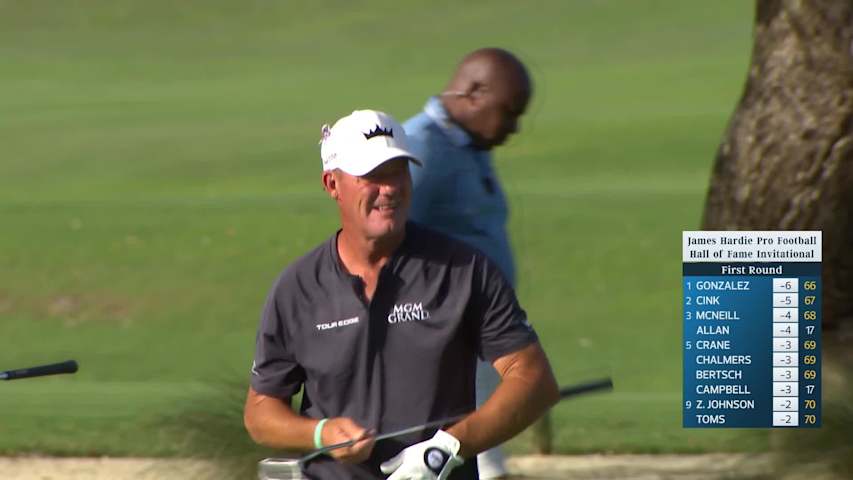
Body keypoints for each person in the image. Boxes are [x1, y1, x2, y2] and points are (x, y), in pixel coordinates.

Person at [243, 109, 559, 480]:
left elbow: (533, 379)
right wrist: (320, 433)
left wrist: (449, 448)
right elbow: (261, 412)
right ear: (332, 184)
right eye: (373, 176)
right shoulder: (297, 288)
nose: (390, 188)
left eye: (398, 171)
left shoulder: (464, 270)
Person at [403, 48, 532, 479]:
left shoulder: (470, 143)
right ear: (474, 93)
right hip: (449, 332)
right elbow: (385, 244)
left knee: (480, 453)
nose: (514, 127)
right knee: (477, 457)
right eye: (509, 112)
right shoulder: (422, 148)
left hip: (485, 328)